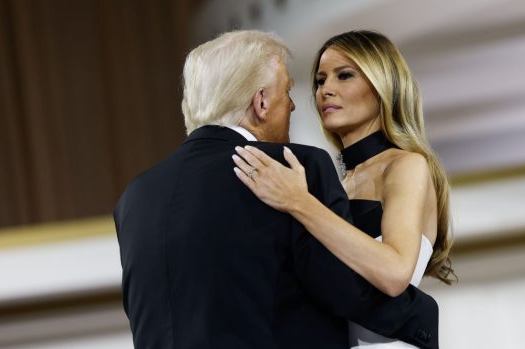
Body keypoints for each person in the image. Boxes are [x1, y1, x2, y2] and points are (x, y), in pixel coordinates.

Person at [114, 30, 438, 349]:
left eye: (343, 76)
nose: (297, 105)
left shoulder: (135, 197)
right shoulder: (292, 167)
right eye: (288, 92)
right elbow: (343, 289)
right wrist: (423, 318)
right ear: (262, 101)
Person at [232, 30, 455, 349]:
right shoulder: (340, 182)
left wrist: (298, 202)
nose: (326, 90)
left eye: (344, 75)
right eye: (321, 80)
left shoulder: (406, 165)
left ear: (383, 85)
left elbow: (394, 274)